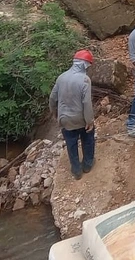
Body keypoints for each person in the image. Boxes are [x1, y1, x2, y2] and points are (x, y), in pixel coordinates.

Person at [49, 50, 95, 180]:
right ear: (85, 65)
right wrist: (89, 120)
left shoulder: (61, 77)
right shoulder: (85, 80)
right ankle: (87, 164)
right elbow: (86, 102)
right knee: (88, 140)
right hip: (80, 118)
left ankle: (76, 170)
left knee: (71, 144)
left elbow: (52, 98)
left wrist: (54, 112)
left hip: (65, 119)